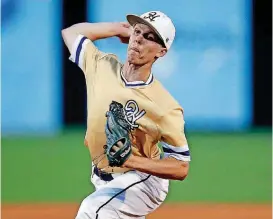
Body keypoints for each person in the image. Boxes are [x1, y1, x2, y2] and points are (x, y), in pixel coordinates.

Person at [62, 10, 191, 219]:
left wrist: (131, 160)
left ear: (161, 52)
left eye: (149, 37)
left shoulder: (164, 105)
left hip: (142, 180)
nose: (139, 38)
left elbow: (181, 167)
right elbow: (72, 32)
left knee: (91, 211)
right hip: (103, 177)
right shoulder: (102, 66)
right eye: (137, 31)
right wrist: (116, 29)